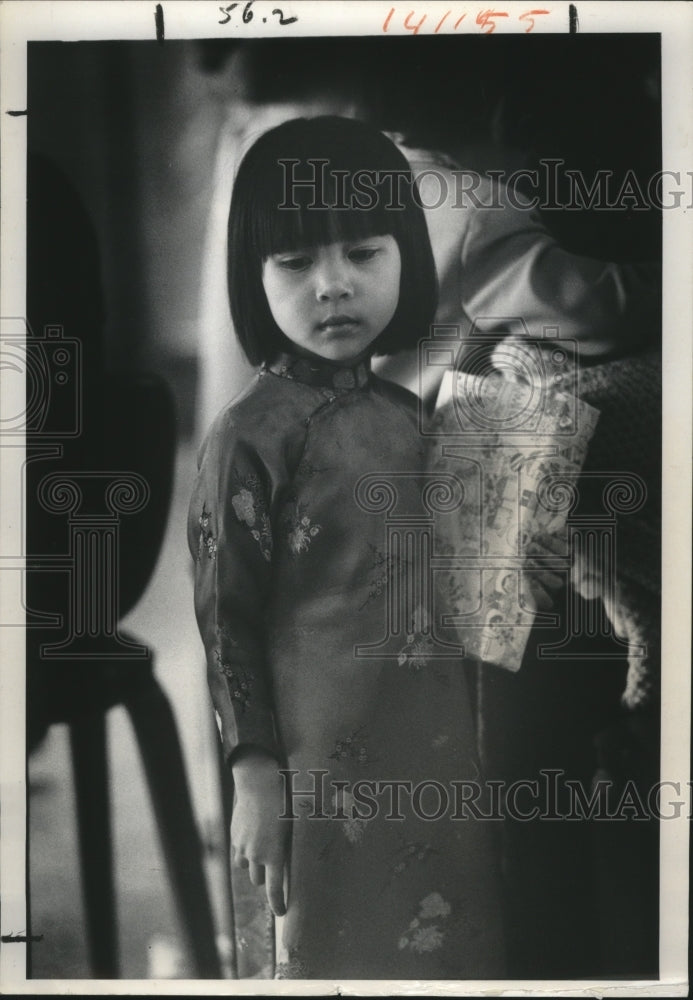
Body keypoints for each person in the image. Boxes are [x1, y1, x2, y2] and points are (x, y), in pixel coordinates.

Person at [187, 116, 505, 980]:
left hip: (434, 746)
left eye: (363, 254)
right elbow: (226, 619)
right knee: (327, 954)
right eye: (295, 264)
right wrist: (255, 776)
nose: (332, 286)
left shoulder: (408, 415)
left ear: (406, 254)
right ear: (253, 278)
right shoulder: (249, 437)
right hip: (314, 768)